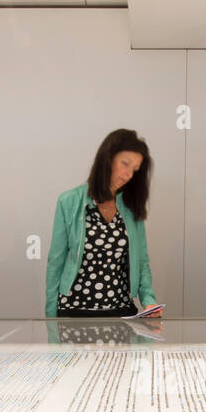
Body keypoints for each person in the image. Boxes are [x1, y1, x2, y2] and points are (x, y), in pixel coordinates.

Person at [45, 129, 158, 321]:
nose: (129, 174)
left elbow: (142, 262)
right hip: (74, 310)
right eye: (125, 164)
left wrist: (149, 300)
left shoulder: (131, 208)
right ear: (108, 158)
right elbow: (55, 263)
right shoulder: (69, 201)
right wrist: (50, 319)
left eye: (135, 169)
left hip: (121, 311)